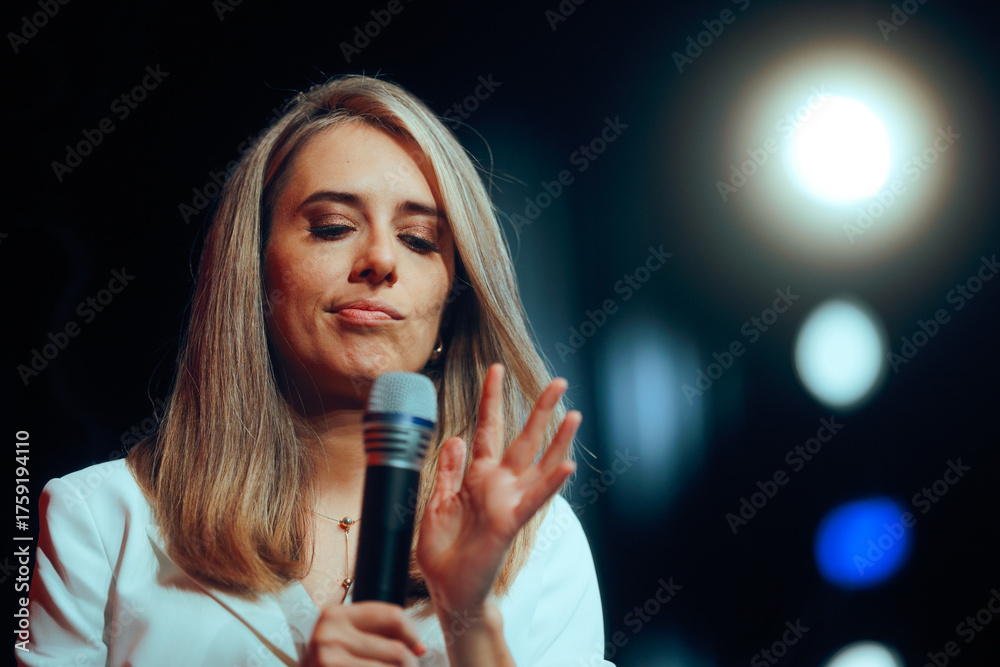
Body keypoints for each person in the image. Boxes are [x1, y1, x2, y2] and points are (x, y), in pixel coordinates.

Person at [20, 74, 614, 666]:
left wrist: (470, 621)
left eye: (418, 239)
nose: (381, 259)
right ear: (252, 271)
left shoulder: (539, 542)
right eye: (333, 227)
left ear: (452, 302)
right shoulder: (99, 520)